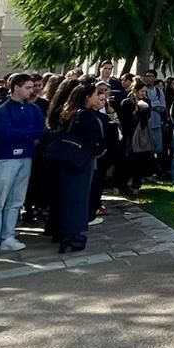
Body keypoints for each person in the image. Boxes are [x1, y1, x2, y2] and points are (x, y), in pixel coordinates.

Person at [0, 72, 46, 252]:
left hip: (25, 157)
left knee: (16, 200)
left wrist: (22, 132)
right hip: (5, 158)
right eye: (28, 87)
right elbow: (4, 133)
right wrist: (26, 132)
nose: (32, 90)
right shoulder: (2, 109)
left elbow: (40, 131)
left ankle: (8, 235)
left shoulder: (33, 109)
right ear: (16, 88)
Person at [55, 84, 108, 252]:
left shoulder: (68, 112)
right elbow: (96, 140)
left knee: (68, 198)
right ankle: (73, 235)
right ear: (87, 97)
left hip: (67, 159)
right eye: (94, 94)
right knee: (78, 199)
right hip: (81, 161)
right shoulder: (85, 116)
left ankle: (65, 233)